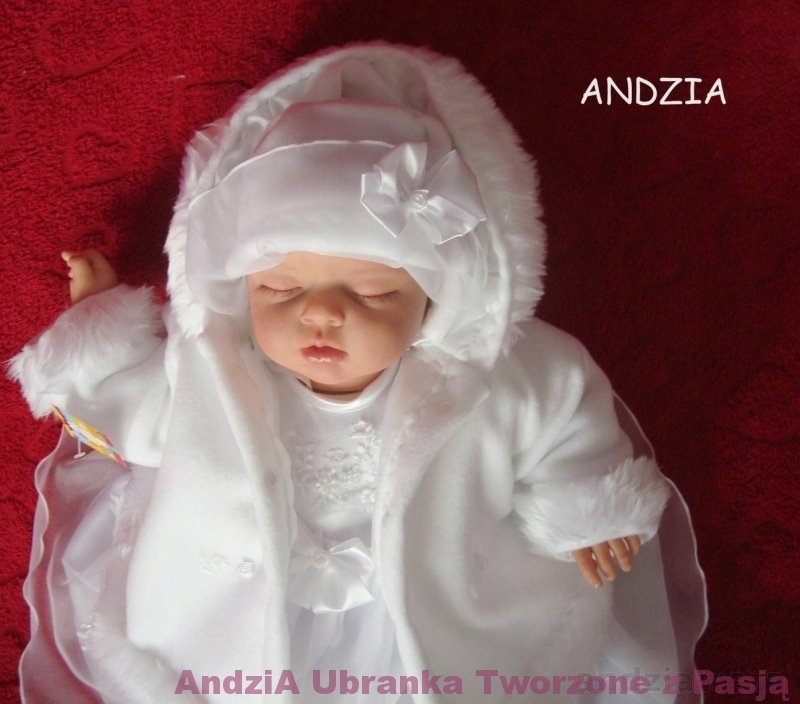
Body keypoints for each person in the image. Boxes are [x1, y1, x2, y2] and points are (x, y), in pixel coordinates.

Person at [10, 43, 706, 703]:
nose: (321, 314)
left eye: (371, 294)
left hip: (437, 607)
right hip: (227, 613)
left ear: (438, 297)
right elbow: (124, 406)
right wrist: (100, 326)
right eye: (280, 289)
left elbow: (562, 415)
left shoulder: (495, 378)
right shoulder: (208, 374)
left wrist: (584, 498)